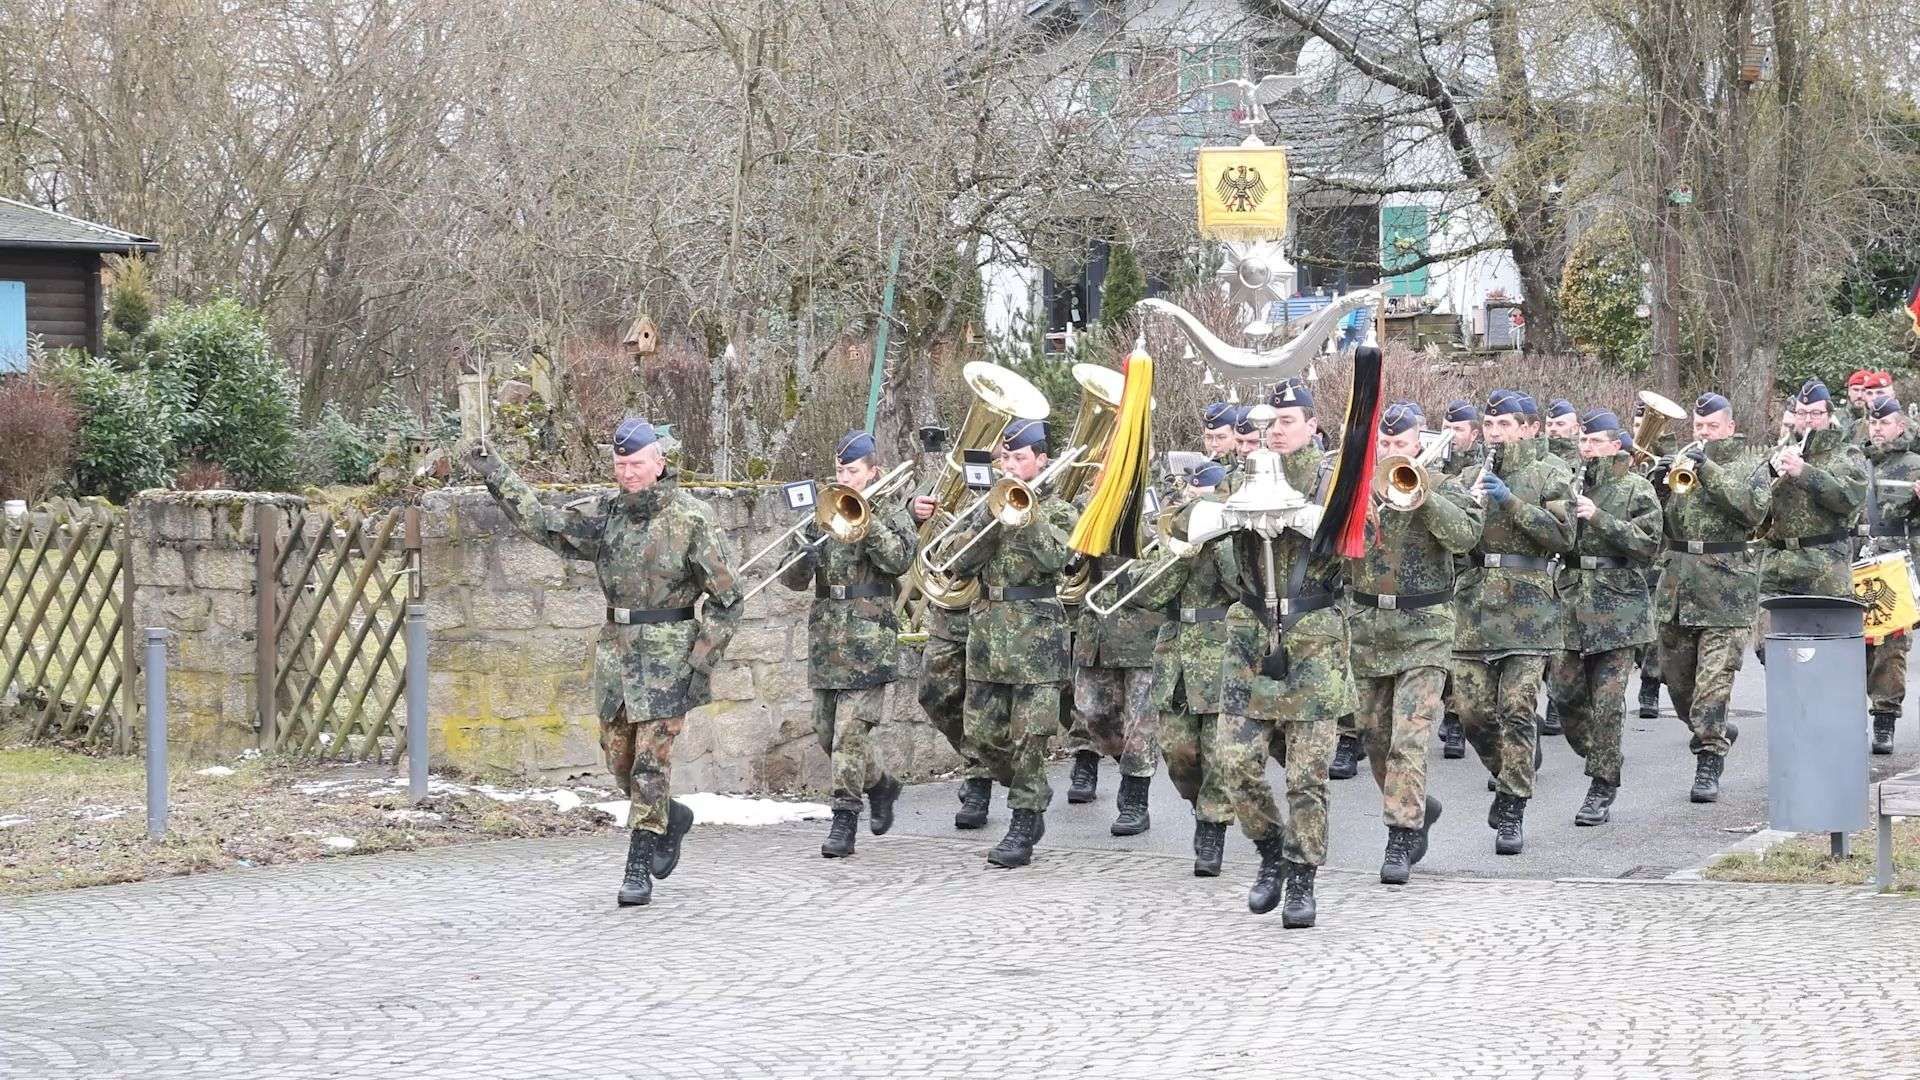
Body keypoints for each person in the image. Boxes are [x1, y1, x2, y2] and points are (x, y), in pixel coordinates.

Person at [464, 419, 742, 907]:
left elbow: (727, 598)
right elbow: (544, 523)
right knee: (619, 761)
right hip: (616, 653)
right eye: (620, 465)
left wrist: (701, 660)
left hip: (669, 654)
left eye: (636, 464)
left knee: (650, 766)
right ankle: (670, 817)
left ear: (659, 463)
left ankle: (638, 866)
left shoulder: (691, 519)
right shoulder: (609, 515)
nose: (628, 473)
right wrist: (496, 473)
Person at [1217, 401, 1350, 927]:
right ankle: (1271, 847)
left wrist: (1312, 520)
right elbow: (1189, 525)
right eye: (1266, 423)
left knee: (1305, 777)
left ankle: (1301, 877)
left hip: (1313, 642)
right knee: (1232, 762)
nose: (1273, 431)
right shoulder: (1240, 476)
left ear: (1312, 425)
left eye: (1285, 421)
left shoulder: (1331, 480)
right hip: (1250, 639)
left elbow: (1366, 536)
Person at [1346, 401, 1481, 884]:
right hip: (1367, 630)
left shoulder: (1448, 486)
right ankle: (1417, 805)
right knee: (1374, 737)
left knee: (1409, 738)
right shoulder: (1355, 488)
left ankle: (1400, 837)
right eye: (1384, 443)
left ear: (1420, 442)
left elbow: (1466, 537)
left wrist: (1423, 495)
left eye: (1399, 443)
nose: (1389, 450)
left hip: (1425, 628)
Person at [944, 419, 1079, 868]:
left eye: (1019, 457)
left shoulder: (1058, 509)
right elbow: (957, 565)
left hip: (1037, 639)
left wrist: (1026, 514)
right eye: (1005, 457)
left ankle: (1023, 820)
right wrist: (992, 518)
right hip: (986, 639)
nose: (1010, 465)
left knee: (1030, 739)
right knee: (982, 739)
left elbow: (1059, 558)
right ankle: (1030, 793)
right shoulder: (986, 509)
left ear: (1041, 460)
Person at [778, 431, 917, 857]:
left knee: (849, 738)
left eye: (852, 470)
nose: (844, 477)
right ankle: (881, 784)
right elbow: (791, 579)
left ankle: (844, 819)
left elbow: (898, 560)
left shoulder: (892, 511)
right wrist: (806, 550)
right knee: (826, 732)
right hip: (827, 638)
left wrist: (865, 523)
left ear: (873, 471)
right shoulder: (820, 513)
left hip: (869, 636)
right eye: (839, 470)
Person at [1454, 389, 1576, 856]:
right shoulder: (1471, 474)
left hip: (1529, 610)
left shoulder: (1552, 473)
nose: (1495, 433)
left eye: (1505, 425)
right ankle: (1507, 776)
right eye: (1489, 425)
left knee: (1518, 709)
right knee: (1472, 714)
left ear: (1529, 428)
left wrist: (1509, 503)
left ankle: (1512, 807)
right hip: (1475, 608)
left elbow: (1563, 536)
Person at [1652, 393, 1770, 804]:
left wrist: (1709, 468)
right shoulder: (1681, 464)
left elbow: (1752, 513)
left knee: (1712, 686)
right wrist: (1658, 484)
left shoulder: (1749, 465)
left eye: (1712, 427)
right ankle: (1711, 729)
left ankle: (1708, 761)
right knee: (1679, 685)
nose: (1703, 434)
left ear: (1730, 428)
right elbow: (1660, 527)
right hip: (1678, 587)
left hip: (1726, 592)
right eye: (1699, 428)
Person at [1545, 411, 1661, 826]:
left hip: (1619, 607)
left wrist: (1599, 518)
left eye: (1594, 441)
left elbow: (1649, 545)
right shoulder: (1570, 481)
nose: (1586, 447)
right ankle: (1604, 754)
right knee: (1564, 695)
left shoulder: (1637, 488)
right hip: (1572, 602)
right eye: (1583, 441)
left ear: (1616, 445)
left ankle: (1601, 784)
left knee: (1609, 704)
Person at [1129, 462, 1242, 876]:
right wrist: (1183, 551)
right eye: (1193, 499)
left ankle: (1213, 829)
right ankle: (1201, 807)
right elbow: (1147, 594)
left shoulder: (1235, 540)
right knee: (1178, 753)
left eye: (1206, 499)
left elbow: (1243, 588)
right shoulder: (1171, 539)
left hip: (1222, 653)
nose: (1197, 506)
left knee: (1218, 753)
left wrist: (1218, 541)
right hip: (1176, 656)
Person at [1760, 379, 1869, 661]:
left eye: (1815, 413)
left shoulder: (1847, 453)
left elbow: (1848, 500)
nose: (1807, 420)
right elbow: (1755, 510)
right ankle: (1788, 703)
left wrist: (1805, 473)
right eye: (1801, 413)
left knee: (1824, 650)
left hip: (1824, 568)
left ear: (1828, 415)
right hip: (1778, 568)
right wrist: (1769, 476)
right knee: (1771, 649)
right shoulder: (1779, 451)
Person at [1859, 396, 1920, 754]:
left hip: (1897, 566)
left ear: (1900, 425)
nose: (1877, 429)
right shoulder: (1856, 462)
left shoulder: (1914, 465)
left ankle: (1885, 718)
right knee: (1855, 645)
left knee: (1891, 646)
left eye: (1884, 423)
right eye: (1873, 423)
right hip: (1858, 562)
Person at [1437, 398, 1483, 759]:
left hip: (1467, 566)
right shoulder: (1433, 460)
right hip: (1438, 566)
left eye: (1458, 430)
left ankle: (1454, 719)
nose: (1451, 436)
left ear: (1474, 433)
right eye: (1447, 428)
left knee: (1458, 647)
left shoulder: (1483, 465)